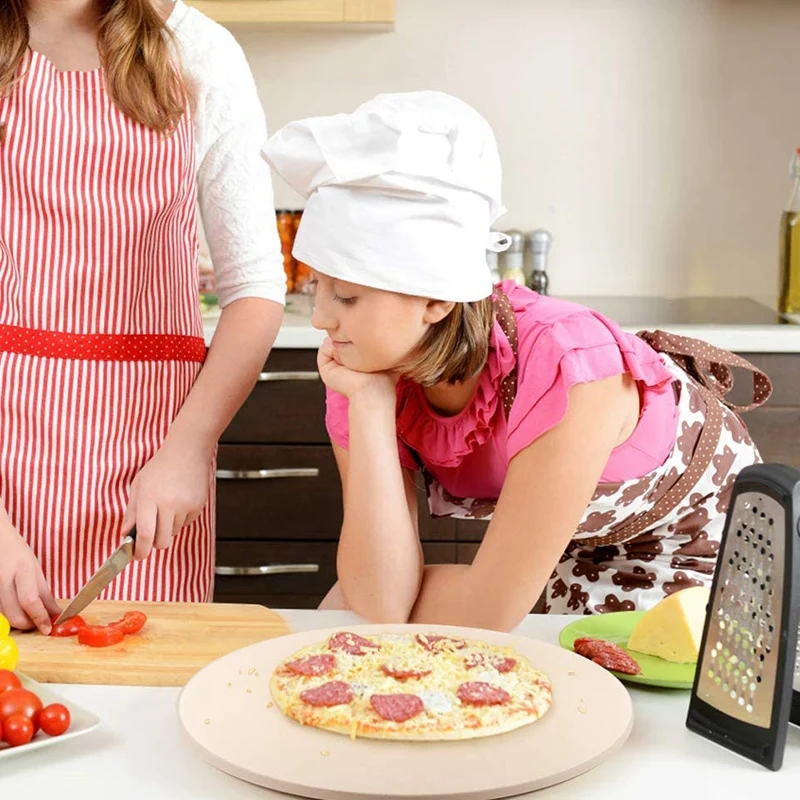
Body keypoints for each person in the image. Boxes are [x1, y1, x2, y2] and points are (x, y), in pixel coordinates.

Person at [263, 91, 770, 631]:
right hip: (577, 554)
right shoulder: (362, 366)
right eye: (316, 288)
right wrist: (368, 405)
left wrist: (413, 595)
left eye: (345, 296)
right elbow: (377, 600)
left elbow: (478, 613)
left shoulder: (566, 366)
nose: (320, 319)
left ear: (436, 300)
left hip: (707, 564)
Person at [0, 0, 285, 632]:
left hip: (154, 451)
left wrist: (189, 449)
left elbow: (256, 286)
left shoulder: (199, 51)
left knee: (148, 671)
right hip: (7, 451)